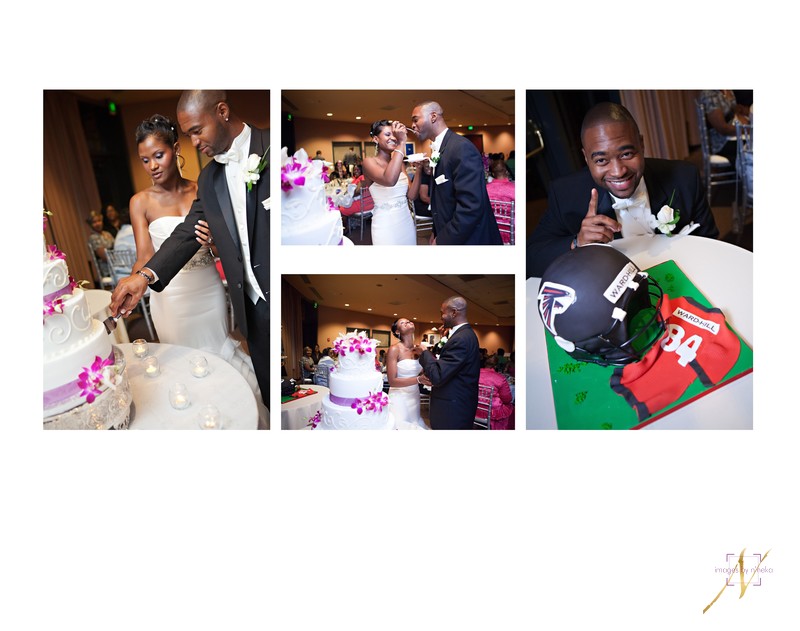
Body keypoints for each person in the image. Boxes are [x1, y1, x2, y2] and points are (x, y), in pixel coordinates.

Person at [110, 90, 270, 412]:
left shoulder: (271, 146)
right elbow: (184, 236)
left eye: (197, 130)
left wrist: (216, 244)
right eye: (189, 134)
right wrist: (142, 277)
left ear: (222, 112)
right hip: (227, 302)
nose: (195, 142)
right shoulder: (210, 180)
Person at [526, 102, 720, 277]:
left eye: (626, 154)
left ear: (641, 145)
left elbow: (712, 244)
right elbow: (530, 259)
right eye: (602, 160)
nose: (618, 172)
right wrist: (576, 242)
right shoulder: (566, 194)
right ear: (586, 158)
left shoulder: (684, 178)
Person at [410, 101, 502, 245]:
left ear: (433, 116)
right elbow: (443, 200)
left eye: (415, 120)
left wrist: (443, 239)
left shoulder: (461, 148)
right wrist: (436, 231)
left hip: (471, 239)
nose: (413, 125)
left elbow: (470, 207)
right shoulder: (439, 149)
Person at [414, 296, 480, 430]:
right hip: (458, 405)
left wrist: (424, 352)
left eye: (442, 313)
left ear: (454, 312)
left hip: (452, 411)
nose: (441, 317)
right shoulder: (464, 335)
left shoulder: (461, 339)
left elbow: (437, 376)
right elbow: (448, 362)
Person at [361, 119, 421, 245]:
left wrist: (419, 169)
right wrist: (402, 143)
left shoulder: (398, 163)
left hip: (406, 221)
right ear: (376, 139)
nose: (393, 138)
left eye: (395, 134)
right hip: (385, 225)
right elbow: (389, 180)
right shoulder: (368, 162)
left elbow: (412, 195)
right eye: (388, 134)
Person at [386, 317, 430, 430]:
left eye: (408, 321)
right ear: (397, 331)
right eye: (402, 322)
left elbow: (426, 372)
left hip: (414, 394)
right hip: (398, 396)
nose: (407, 322)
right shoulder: (394, 349)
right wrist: (418, 380)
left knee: (415, 422)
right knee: (401, 426)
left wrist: (425, 354)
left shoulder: (418, 350)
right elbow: (392, 381)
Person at [698, 90, 749, 166]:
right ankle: (747, 175)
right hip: (720, 143)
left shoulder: (726, 90)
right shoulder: (709, 95)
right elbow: (723, 129)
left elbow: (734, 112)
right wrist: (748, 129)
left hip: (731, 135)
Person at [478, 354, 515, 430]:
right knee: (511, 408)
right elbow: (507, 399)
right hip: (492, 411)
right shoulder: (500, 378)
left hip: (474, 407)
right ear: (496, 366)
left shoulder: (475, 373)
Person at [86, 211, 115, 278]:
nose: (97, 224)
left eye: (99, 221)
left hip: (116, 264)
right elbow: (104, 257)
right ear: (91, 224)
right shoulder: (93, 237)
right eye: (94, 222)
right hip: (107, 269)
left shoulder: (107, 233)